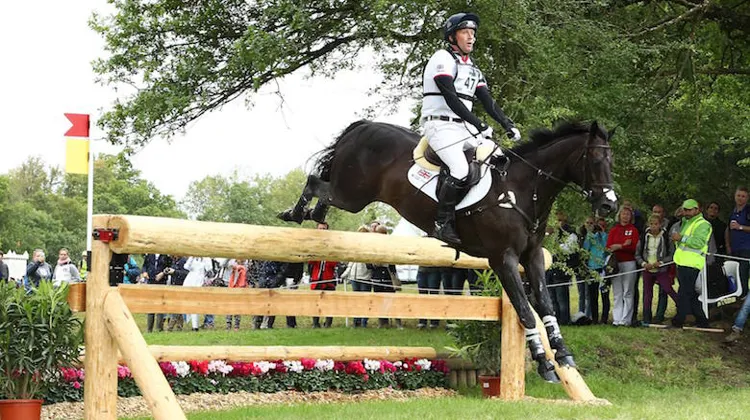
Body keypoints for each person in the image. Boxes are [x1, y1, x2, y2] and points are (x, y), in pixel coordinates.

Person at [421, 12, 521, 246]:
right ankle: (442, 223)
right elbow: (451, 98)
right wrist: (479, 124)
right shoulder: (442, 58)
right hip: (440, 125)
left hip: (463, 127)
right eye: (465, 32)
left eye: (473, 33)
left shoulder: (472, 67)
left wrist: (507, 124)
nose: (471, 37)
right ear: (452, 37)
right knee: (459, 169)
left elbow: (487, 100)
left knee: (499, 159)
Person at [670, 199, 712, 328]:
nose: (686, 212)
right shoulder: (687, 222)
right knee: (691, 294)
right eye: (685, 210)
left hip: (692, 263)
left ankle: (679, 320)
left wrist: (681, 238)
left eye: (689, 210)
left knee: (684, 293)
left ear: (697, 210)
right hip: (683, 262)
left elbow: (698, 243)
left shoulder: (703, 224)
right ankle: (702, 320)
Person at [635, 215, 677, 324]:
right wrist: (644, 263)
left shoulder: (666, 237)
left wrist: (661, 262)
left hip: (661, 270)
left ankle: (683, 311)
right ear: (648, 224)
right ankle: (646, 318)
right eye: (651, 224)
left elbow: (672, 255)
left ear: (660, 224)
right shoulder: (644, 237)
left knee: (668, 289)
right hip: (647, 270)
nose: (653, 226)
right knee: (647, 295)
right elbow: (637, 254)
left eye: (656, 224)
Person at [606, 206, 640, 326]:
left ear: (631, 217)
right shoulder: (614, 230)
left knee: (628, 292)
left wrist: (619, 246)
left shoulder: (633, 230)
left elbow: (633, 247)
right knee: (617, 292)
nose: (625, 216)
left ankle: (626, 319)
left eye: (628, 214)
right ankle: (617, 319)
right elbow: (609, 246)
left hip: (629, 263)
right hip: (615, 263)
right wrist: (624, 244)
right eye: (623, 214)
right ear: (619, 215)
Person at [340, 225, 373, 328]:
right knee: (356, 301)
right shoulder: (355, 247)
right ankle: (356, 321)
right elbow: (351, 263)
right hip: (354, 278)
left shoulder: (370, 247)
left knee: (364, 300)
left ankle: (364, 322)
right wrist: (345, 274)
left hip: (365, 277)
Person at [308, 222, 338, 328]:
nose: (322, 231)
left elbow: (334, 262)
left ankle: (328, 323)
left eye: (324, 229)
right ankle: (315, 323)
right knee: (315, 302)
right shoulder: (314, 244)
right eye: (320, 229)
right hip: (316, 278)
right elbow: (310, 261)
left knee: (329, 302)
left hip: (328, 278)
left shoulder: (332, 244)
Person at [582, 216, 607, 323]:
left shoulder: (604, 236)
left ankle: (604, 318)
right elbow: (585, 249)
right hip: (592, 267)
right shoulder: (589, 236)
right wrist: (589, 234)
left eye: (592, 223)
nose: (590, 225)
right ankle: (595, 318)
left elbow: (606, 247)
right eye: (588, 223)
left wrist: (602, 232)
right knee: (593, 295)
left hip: (603, 267)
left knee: (604, 294)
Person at [726, 186, 750, 297]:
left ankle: (744, 298)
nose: (740, 198)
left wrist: (740, 227)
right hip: (734, 248)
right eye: (738, 195)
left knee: (743, 274)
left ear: (747, 198)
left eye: (743, 196)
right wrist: (728, 245)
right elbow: (728, 229)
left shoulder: (748, 210)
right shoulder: (732, 212)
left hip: (746, 248)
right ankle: (738, 298)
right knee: (735, 275)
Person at [142, 253, 172, 333]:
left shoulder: (165, 255)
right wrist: (144, 272)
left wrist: (163, 273)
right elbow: (144, 265)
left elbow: (170, 266)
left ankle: (159, 328)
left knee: (160, 306)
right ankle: (149, 329)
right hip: (151, 281)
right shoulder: (150, 254)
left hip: (161, 282)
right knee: (150, 306)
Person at [182, 256, 214, 331]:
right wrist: (192, 257)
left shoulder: (207, 258)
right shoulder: (192, 258)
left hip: (199, 282)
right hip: (190, 281)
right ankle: (193, 325)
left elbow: (209, 269)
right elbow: (186, 267)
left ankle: (196, 326)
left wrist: (204, 258)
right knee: (190, 304)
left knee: (196, 304)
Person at [225, 259, 247, 331]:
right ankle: (229, 325)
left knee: (237, 308)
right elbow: (224, 265)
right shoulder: (233, 265)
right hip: (232, 288)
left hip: (238, 289)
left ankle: (235, 326)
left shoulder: (243, 267)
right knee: (230, 307)